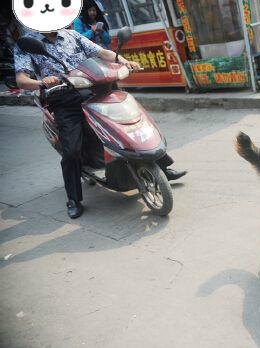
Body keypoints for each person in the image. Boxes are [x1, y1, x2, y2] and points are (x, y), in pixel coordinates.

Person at [14, 29, 186, 219]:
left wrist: (123, 61)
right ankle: (73, 199)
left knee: (129, 122)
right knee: (71, 150)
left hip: (95, 88)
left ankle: (163, 167)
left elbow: (101, 52)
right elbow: (21, 79)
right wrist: (41, 82)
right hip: (63, 97)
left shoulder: (72, 35)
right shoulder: (27, 43)